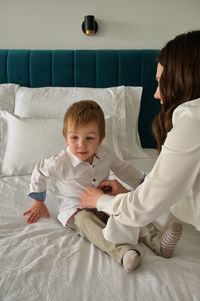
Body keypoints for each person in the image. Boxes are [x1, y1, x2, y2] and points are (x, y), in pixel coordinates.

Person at [23, 100, 182, 273]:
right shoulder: (61, 163)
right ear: (65, 137)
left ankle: (158, 242)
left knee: (124, 210)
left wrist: (145, 186)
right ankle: (124, 252)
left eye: (89, 138)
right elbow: (39, 170)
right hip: (76, 209)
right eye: (74, 137)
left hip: (102, 200)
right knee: (90, 225)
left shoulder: (105, 154)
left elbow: (124, 169)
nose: (81, 144)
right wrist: (38, 200)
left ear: (100, 139)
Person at [80, 30, 200, 238]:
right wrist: (136, 191)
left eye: (161, 81)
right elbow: (175, 186)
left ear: (183, 79)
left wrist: (99, 201)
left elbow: (144, 207)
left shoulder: (193, 120)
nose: (156, 93)